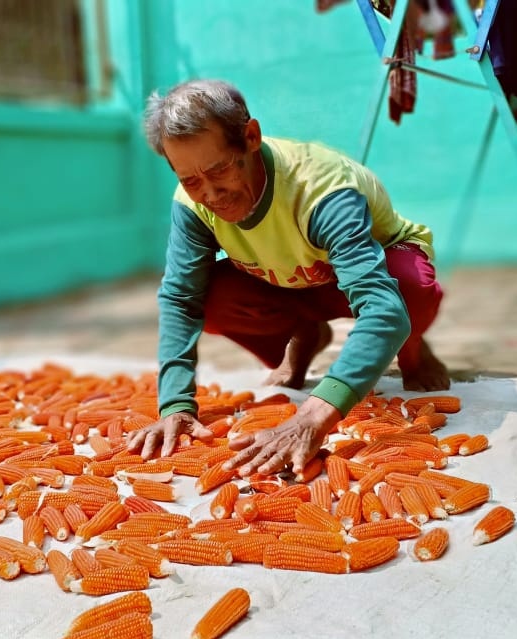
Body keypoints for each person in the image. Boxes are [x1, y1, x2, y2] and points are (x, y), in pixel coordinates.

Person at [126, 79, 449, 477]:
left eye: (220, 169)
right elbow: (180, 299)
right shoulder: (191, 203)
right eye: (192, 180)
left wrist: (314, 415)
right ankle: (305, 334)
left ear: (250, 138)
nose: (211, 194)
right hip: (290, 278)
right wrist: (175, 403)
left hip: (374, 272)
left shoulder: (321, 190)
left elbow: (382, 307)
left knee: (408, 293)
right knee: (206, 296)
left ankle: (412, 348)